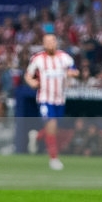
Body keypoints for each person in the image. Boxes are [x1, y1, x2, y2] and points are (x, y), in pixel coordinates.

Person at [24, 33, 78, 170]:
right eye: (47, 42)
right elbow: (28, 75)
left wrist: (72, 73)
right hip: (45, 99)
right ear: (43, 44)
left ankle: (37, 136)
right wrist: (32, 82)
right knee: (52, 125)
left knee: (54, 129)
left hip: (59, 99)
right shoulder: (37, 59)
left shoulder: (64, 58)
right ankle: (54, 159)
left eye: (52, 41)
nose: (50, 44)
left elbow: (74, 70)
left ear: (56, 43)